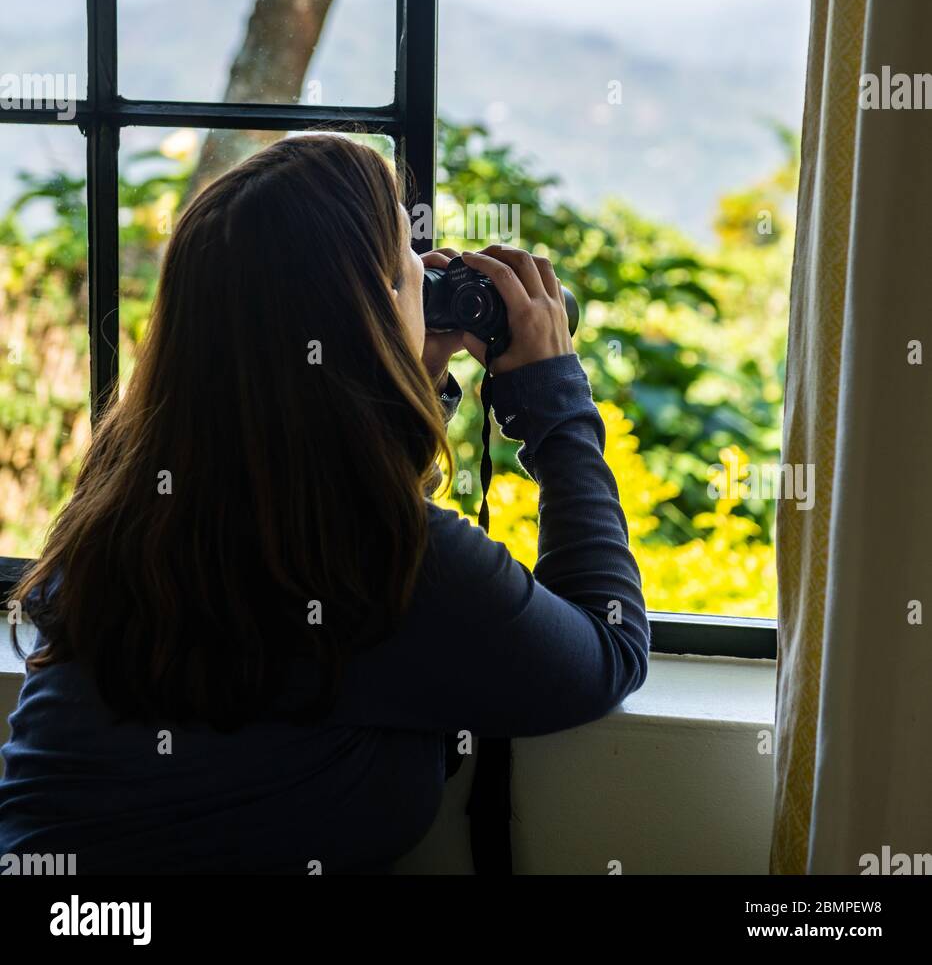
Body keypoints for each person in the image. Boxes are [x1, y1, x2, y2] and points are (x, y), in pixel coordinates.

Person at [0, 133, 649, 874]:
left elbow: (302, 489)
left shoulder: (116, 516)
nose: (428, 275)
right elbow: (608, 650)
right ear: (373, 311)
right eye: (410, 264)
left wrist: (404, 389)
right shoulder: (387, 560)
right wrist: (555, 401)